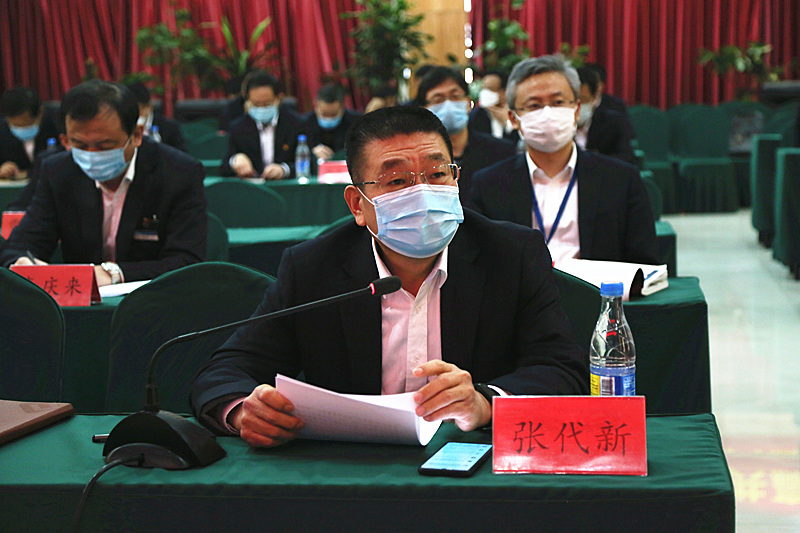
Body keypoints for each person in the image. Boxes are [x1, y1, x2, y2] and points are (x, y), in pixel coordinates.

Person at [191, 106, 588, 447]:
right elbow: (228, 369)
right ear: (357, 205)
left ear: (456, 179)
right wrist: (243, 411)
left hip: (475, 465)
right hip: (354, 470)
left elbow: (562, 369)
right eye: (397, 181)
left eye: (437, 174)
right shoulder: (313, 267)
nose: (422, 192)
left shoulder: (511, 254)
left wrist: (485, 403)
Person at [0, 80, 207, 285]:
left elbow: (186, 261)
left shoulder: (179, 173)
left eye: (105, 146)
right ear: (65, 140)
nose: (92, 155)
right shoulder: (58, 171)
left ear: (136, 135)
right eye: (80, 145)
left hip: (154, 298)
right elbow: (20, 244)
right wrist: (22, 262)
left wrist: (113, 274)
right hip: (79, 302)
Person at [469, 55, 659, 265]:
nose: (547, 113)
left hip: (596, 286)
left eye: (558, 102)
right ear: (514, 118)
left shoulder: (621, 180)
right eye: (534, 105)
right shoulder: (488, 185)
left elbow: (644, 263)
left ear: (576, 110)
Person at [414, 67, 515, 206]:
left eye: (455, 96)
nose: (448, 104)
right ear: (424, 109)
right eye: (438, 99)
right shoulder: (417, 160)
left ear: (468, 102)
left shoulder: (501, 152)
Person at [220, 71, 301, 180]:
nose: (261, 109)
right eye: (256, 104)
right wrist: (235, 160)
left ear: (279, 99)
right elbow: (224, 167)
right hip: (252, 187)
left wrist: (284, 170)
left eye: (267, 104)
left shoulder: (296, 123)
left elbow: (309, 163)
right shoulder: (238, 127)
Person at [574, 67, 636, 165]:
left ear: (594, 98)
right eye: (572, 100)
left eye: (583, 100)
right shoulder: (557, 124)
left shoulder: (612, 124)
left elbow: (626, 159)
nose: (577, 106)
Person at [0, 87, 60, 180]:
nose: (21, 130)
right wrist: (4, 168)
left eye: (25, 125)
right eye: (16, 126)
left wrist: (29, 173)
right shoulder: (2, 131)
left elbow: (63, 161)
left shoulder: (56, 125)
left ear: (40, 113)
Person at [300, 83, 361, 163]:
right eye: (324, 114)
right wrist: (311, 152)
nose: (328, 119)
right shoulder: (304, 123)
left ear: (343, 107)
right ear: (316, 106)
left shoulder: (357, 122)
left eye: (333, 114)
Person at [124, 81, 185, 151]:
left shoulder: (170, 129)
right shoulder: (120, 126)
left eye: (137, 110)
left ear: (149, 107)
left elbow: (181, 155)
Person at [584, 62, 636, 140]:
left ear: (601, 85)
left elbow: (628, 133)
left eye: (592, 83)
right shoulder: (573, 103)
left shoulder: (616, 105)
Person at [468, 70, 519, 144]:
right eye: (483, 88)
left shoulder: (516, 114)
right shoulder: (475, 116)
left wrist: (508, 123)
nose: (485, 93)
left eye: (490, 89)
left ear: (504, 92)